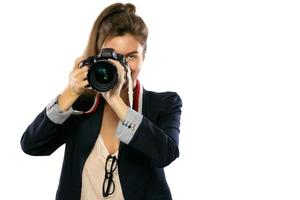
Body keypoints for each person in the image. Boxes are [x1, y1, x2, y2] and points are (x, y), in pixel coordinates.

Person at [20, 2, 182, 200]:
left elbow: (166, 154)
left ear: (144, 56)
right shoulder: (82, 105)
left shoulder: (164, 103)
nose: (123, 66)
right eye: (114, 56)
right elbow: (31, 145)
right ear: (98, 56)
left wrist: (115, 101)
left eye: (131, 56)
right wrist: (70, 92)